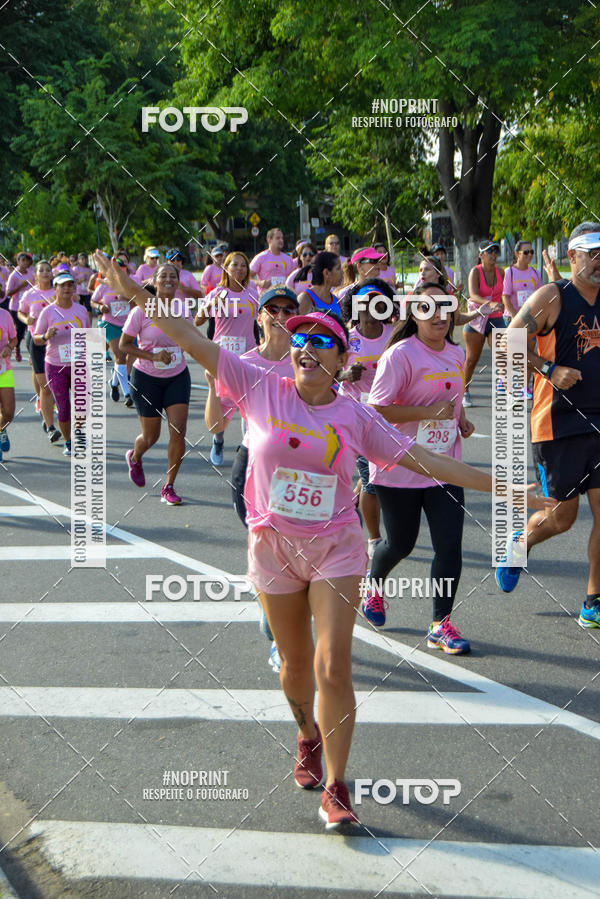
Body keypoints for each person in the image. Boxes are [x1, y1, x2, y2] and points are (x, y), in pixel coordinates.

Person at [94, 249, 552, 830]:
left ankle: (337, 786)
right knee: (293, 666)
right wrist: (135, 293)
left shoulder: (355, 417)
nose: (306, 346)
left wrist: (510, 487)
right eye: (300, 338)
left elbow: (435, 461)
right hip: (272, 546)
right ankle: (307, 733)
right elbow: (186, 334)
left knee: (334, 665)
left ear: (340, 359)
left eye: (321, 339)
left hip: (336, 547)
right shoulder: (260, 384)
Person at [362, 284, 475, 653]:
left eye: (445, 307)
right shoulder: (400, 355)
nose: (439, 315)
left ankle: (440, 623)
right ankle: (373, 586)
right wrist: (427, 413)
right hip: (401, 467)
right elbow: (376, 410)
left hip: (444, 466)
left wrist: (461, 420)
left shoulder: (457, 353)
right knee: (400, 544)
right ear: (415, 314)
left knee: (450, 547)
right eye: (429, 308)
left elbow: (452, 398)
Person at [498, 221, 600, 630]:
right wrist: (549, 368)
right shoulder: (553, 297)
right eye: (590, 252)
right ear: (571, 257)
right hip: (558, 425)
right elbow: (507, 342)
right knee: (562, 517)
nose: (598, 260)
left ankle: (593, 600)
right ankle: (520, 544)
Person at [204, 285, 298, 671]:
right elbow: (215, 423)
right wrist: (212, 384)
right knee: (273, 556)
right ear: (258, 318)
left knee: (301, 557)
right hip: (256, 469)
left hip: (302, 470)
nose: (279, 315)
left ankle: (282, 622)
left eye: (287, 309)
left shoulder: (308, 361)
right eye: (271, 309)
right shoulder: (243, 363)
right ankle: (279, 634)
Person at [120, 262, 192, 504]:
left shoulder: (183, 308)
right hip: (146, 378)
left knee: (178, 432)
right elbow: (124, 345)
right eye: (164, 276)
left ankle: (169, 486)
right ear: (154, 280)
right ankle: (135, 456)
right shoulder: (141, 310)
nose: (169, 279)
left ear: (178, 281)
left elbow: (192, 339)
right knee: (151, 437)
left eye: (173, 276)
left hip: (177, 376)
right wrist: (152, 356)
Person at [338, 285, 394, 556]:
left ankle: (353, 500)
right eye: (365, 304)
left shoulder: (394, 336)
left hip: (389, 415)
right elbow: (326, 372)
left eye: (377, 304)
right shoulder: (346, 338)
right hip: (356, 416)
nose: (371, 310)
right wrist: (346, 374)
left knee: (385, 474)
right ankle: (373, 539)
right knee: (370, 478)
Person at [195, 251, 258, 466]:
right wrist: (210, 306)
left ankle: (246, 447)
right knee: (222, 402)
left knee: (247, 403)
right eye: (234, 265)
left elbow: (262, 319)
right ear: (226, 269)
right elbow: (198, 320)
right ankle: (218, 439)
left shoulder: (253, 292)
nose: (239, 268)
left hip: (248, 354)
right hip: (222, 354)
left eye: (243, 265)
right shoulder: (217, 293)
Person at [33, 271, 91, 455]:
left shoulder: (80, 310)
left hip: (79, 364)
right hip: (56, 365)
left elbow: (88, 334)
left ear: (74, 288)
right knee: (64, 407)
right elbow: (36, 338)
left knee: (83, 405)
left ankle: (79, 432)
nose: (67, 289)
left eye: (70, 285)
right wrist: (45, 336)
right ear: (55, 289)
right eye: (62, 285)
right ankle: (69, 442)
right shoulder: (48, 312)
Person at [18, 260, 60, 440]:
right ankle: (50, 426)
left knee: (52, 384)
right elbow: (21, 312)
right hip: (36, 340)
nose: (44, 273)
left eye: (47, 270)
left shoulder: (56, 293)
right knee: (45, 385)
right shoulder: (29, 294)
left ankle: (45, 406)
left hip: (56, 342)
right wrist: (26, 319)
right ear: (35, 275)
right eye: (41, 270)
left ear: (52, 274)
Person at [462, 240, 505, 407]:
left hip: (496, 317)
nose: (494, 254)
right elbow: (472, 295)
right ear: (481, 255)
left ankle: (508, 391)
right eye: (490, 251)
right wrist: (491, 304)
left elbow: (505, 295)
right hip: (477, 318)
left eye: (496, 251)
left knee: (503, 354)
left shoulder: (500, 272)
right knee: (472, 359)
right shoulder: (475, 271)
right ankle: (464, 392)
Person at [91, 259, 134, 406]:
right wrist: (100, 307)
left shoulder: (130, 284)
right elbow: (93, 300)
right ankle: (128, 393)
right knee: (120, 355)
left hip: (129, 325)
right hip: (110, 323)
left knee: (128, 357)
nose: (118, 273)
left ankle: (114, 382)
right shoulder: (104, 284)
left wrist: (127, 298)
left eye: (121, 270)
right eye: (116, 270)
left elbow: (140, 301)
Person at [502, 240, 542, 321]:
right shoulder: (509, 272)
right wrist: (515, 316)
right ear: (517, 254)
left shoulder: (536, 273)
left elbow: (539, 295)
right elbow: (505, 297)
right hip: (512, 319)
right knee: (518, 334)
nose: (530, 255)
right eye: (526, 252)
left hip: (530, 318)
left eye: (531, 252)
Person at [5, 252, 35, 362]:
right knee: (20, 330)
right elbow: (8, 293)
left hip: (29, 307)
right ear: (18, 262)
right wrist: (20, 286)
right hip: (16, 307)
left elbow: (35, 288)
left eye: (27, 260)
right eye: (22, 260)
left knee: (31, 329)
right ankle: (17, 348)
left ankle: (32, 354)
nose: (25, 262)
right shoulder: (14, 275)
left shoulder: (30, 274)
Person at [250, 228, 294, 295]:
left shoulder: (288, 259)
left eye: (282, 238)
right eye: (278, 238)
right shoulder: (260, 257)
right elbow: (247, 277)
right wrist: (260, 283)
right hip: (266, 298)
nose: (281, 240)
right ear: (269, 240)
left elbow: (294, 278)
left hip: (284, 298)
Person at [297, 251, 343, 316]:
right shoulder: (305, 299)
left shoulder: (337, 301)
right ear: (326, 273)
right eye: (338, 268)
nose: (342, 272)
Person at [0, 303, 17, 461]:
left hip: (3, 369)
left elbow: (14, 339)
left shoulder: (4, 315)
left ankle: (1, 429)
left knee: (9, 412)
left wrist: (9, 347)